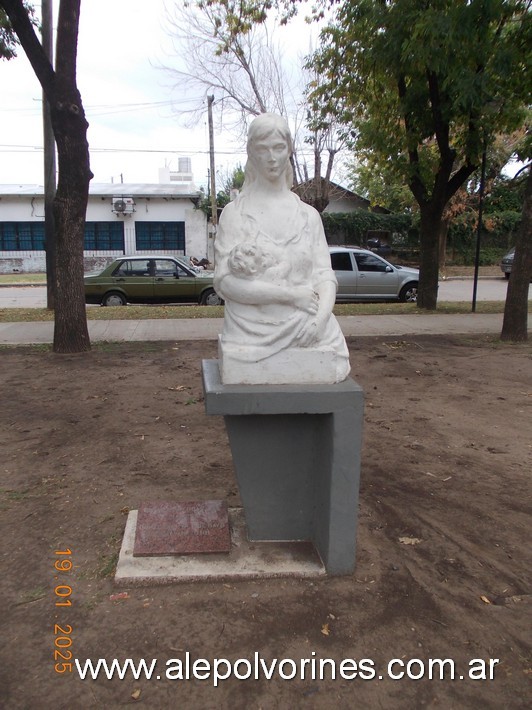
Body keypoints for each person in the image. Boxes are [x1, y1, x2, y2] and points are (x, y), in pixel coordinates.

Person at [214, 113, 350, 383]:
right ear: (251, 152)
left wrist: (320, 320)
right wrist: (291, 296)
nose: (272, 157)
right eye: (262, 149)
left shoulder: (308, 216)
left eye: (278, 148)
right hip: (251, 331)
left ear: (289, 149)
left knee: (335, 360)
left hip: (310, 324)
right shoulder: (235, 213)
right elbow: (225, 283)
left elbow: (324, 276)